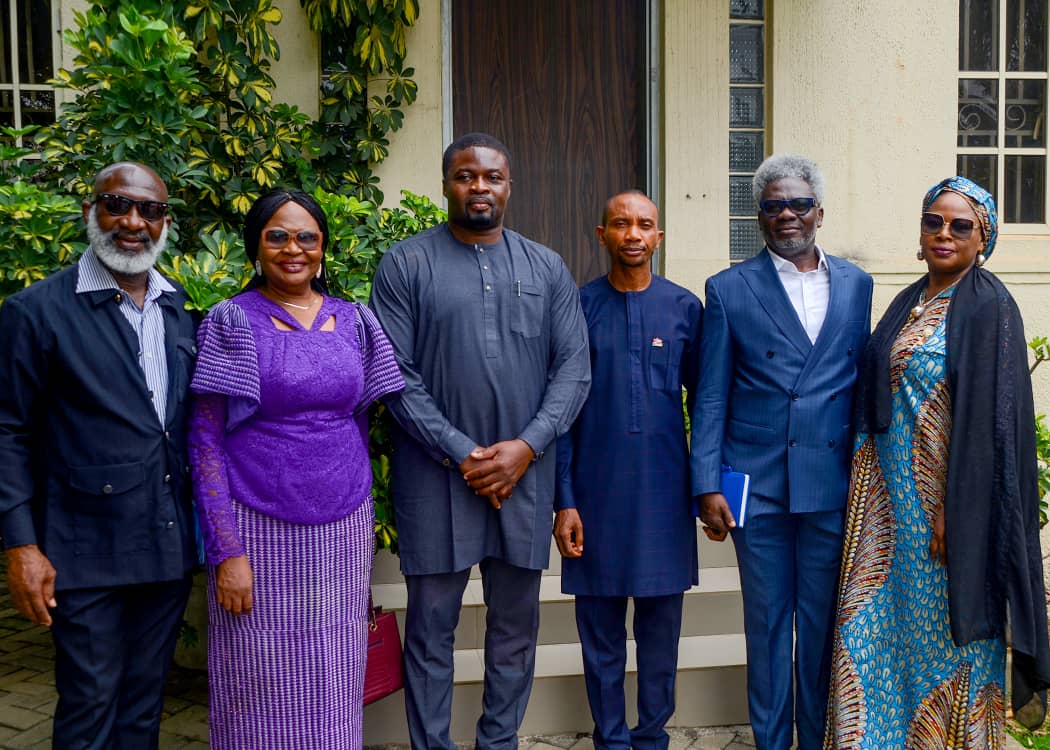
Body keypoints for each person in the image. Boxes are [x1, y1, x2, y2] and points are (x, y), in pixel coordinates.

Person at [369, 132, 591, 750]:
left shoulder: (546, 266)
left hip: (525, 480)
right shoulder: (406, 264)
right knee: (431, 632)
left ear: (509, 186)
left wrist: (526, 447)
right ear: (446, 184)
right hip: (435, 480)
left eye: (492, 177)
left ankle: (500, 743)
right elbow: (392, 374)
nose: (480, 187)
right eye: (466, 176)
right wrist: (461, 451)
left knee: (515, 632)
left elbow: (574, 370)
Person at [824, 176, 1050, 748]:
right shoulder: (910, 300)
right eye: (934, 221)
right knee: (876, 632)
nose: (944, 233)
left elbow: (996, 427)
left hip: (944, 513)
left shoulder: (989, 307)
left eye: (960, 225)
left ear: (984, 238)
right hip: (883, 507)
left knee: (943, 639)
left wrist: (958, 511)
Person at [187, 190, 404, 748]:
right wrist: (226, 551)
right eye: (277, 236)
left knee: (334, 670)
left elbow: (361, 418)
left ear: (323, 246)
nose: (293, 249)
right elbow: (206, 442)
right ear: (256, 246)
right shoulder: (230, 321)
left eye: (306, 236)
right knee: (256, 672)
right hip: (256, 524)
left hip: (343, 526)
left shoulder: (355, 320)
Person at [0, 162, 197, 748]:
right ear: (90, 213)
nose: (133, 222)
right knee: (90, 701)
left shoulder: (175, 306)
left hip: (164, 543)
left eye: (150, 210)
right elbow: (8, 430)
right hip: (81, 547)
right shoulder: (35, 311)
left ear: (164, 223)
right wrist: (21, 545)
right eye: (117, 205)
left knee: (143, 703)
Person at [691, 154, 873, 750]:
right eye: (773, 206)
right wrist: (707, 482)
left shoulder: (856, 284)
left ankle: (819, 739)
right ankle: (771, 742)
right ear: (759, 217)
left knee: (822, 628)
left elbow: (858, 385)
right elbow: (711, 395)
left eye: (798, 204)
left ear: (819, 212)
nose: (787, 215)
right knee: (767, 627)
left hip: (829, 482)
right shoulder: (727, 289)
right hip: (758, 486)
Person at [554, 190, 701, 750]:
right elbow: (561, 411)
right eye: (621, 224)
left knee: (661, 637)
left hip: (664, 494)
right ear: (602, 234)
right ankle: (610, 740)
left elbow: (706, 404)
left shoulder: (685, 309)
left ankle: (652, 738)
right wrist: (564, 498)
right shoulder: (576, 308)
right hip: (594, 496)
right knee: (601, 637)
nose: (633, 234)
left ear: (658, 237)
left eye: (645, 224)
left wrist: (708, 489)